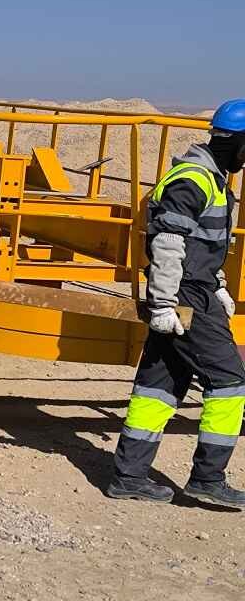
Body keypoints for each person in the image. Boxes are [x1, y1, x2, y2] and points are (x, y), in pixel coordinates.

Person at [107, 100, 245, 508]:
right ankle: (208, 478)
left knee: (159, 385)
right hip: (186, 296)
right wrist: (165, 303)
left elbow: (203, 244)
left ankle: (129, 476)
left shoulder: (212, 180)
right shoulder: (194, 179)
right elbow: (168, 242)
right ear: (237, 143)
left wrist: (218, 284)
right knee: (230, 382)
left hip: (196, 289)